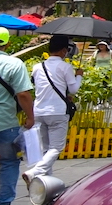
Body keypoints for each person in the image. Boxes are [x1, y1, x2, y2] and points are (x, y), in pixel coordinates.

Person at [23, 35, 83, 185]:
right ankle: (35, 172)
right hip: (57, 111)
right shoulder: (65, 66)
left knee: (45, 149)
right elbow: (74, 89)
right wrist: (79, 76)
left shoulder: (37, 67)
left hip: (39, 111)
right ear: (64, 50)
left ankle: (45, 181)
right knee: (56, 148)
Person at [0, 26, 34, 205]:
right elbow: (23, 94)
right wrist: (30, 116)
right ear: (8, 43)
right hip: (4, 121)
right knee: (9, 162)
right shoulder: (14, 64)